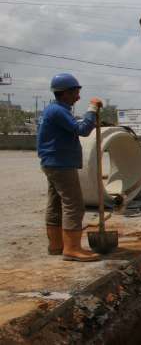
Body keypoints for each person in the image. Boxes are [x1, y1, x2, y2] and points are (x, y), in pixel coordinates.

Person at [37, 73, 103, 262]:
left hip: (52, 162)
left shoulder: (53, 110)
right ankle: (72, 249)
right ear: (65, 93)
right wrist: (92, 109)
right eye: (76, 92)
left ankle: (57, 245)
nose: (78, 97)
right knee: (74, 205)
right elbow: (82, 130)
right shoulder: (58, 111)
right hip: (61, 164)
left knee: (56, 204)